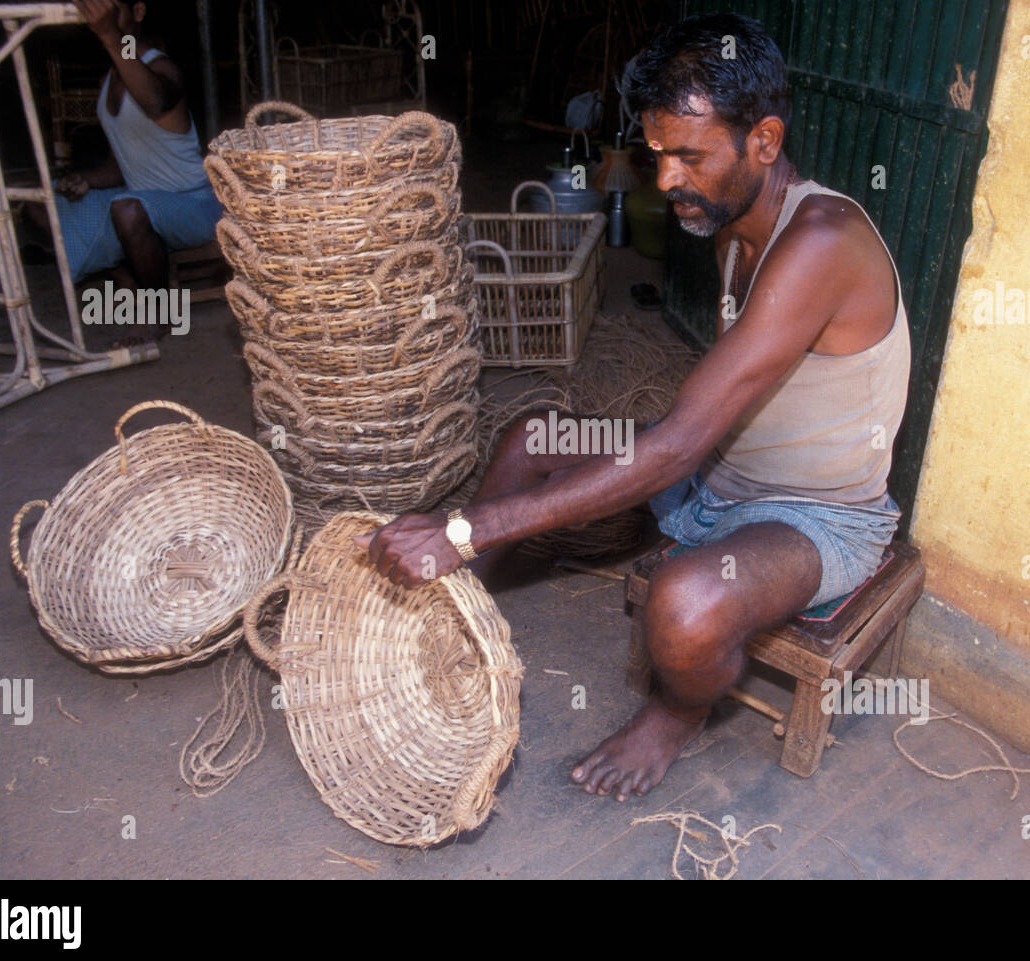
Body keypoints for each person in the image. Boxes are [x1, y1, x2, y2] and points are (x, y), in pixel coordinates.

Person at [360, 13, 911, 803]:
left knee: (684, 604)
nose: (665, 180)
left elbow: (681, 441)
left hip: (814, 515)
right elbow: (698, 434)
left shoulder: (821, 240)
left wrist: (462, 527)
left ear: (764, 138)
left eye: (689, 155)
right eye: (657, 153)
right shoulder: (732, 222)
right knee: (532, 436)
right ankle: (457, 622)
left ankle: (674, 714)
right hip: (716, 471)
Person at [28, 0, 221, 331]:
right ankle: (127, 278)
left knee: (128, 209)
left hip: (194, 204)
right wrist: (85, 179)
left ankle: (159, 315)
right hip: (139, 199)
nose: (100, 12)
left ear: (139, 11)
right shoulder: (109, 80)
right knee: (38, 204)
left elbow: (156, 100)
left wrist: (110, 34)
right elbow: (121, 164)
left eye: (111, 5)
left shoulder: (160, 68)